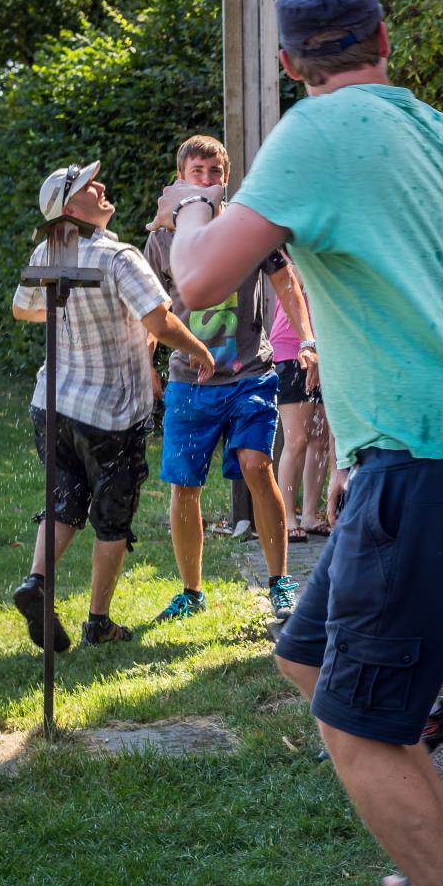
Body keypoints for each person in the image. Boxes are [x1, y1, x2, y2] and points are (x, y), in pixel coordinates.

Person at [149, 0, 443, 886]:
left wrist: (192, 203)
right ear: (385, 38)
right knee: (307, 656)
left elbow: (196, 281)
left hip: (423, 468)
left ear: (290, 63)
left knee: (353, 726)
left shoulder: (310, 135)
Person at [11, 160, 215, 648]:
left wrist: (71, 315)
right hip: (111, 411)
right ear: (70, 208)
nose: (100, 185)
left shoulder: (48, 250)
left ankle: (37, 581)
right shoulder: (119, 256)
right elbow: (160, 322)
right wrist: (199, 351)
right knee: (112, 516)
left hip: (52, 404)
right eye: (87, 184)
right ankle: (98, 623)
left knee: (64, 499)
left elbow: (22, 309)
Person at [144, 135, 316, 624]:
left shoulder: (248, 228)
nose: (205, 180)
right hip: (189, 381)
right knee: (184, 486)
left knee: (257, 465)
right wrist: (145, 361)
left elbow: (286, 283)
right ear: (180, 179)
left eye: (214, 172)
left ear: (226, 178)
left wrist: (307, 340)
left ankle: (280, 582)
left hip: (250, 375)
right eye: (195, 172)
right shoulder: (161, 240)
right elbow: (149, 308)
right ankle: (191, 591)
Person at [271, 288, 331, 542]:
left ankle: (309, 515)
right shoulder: (290, 262)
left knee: (321, 440)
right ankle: (286, 516)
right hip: (291, 350)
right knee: (296, 440)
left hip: (326, 350)